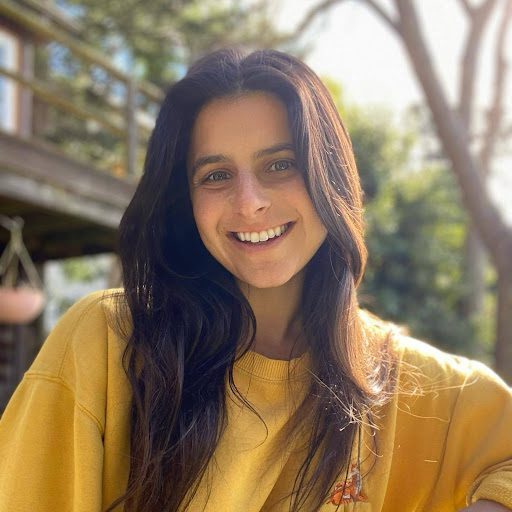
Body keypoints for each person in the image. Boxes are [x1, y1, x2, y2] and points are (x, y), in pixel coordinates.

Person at [0, 48, 511, 512]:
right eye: (216, 175)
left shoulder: (413, 383)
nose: (249, 203)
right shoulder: (107, 343)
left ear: (328, 176)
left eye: (280, 164)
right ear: (187, 201)